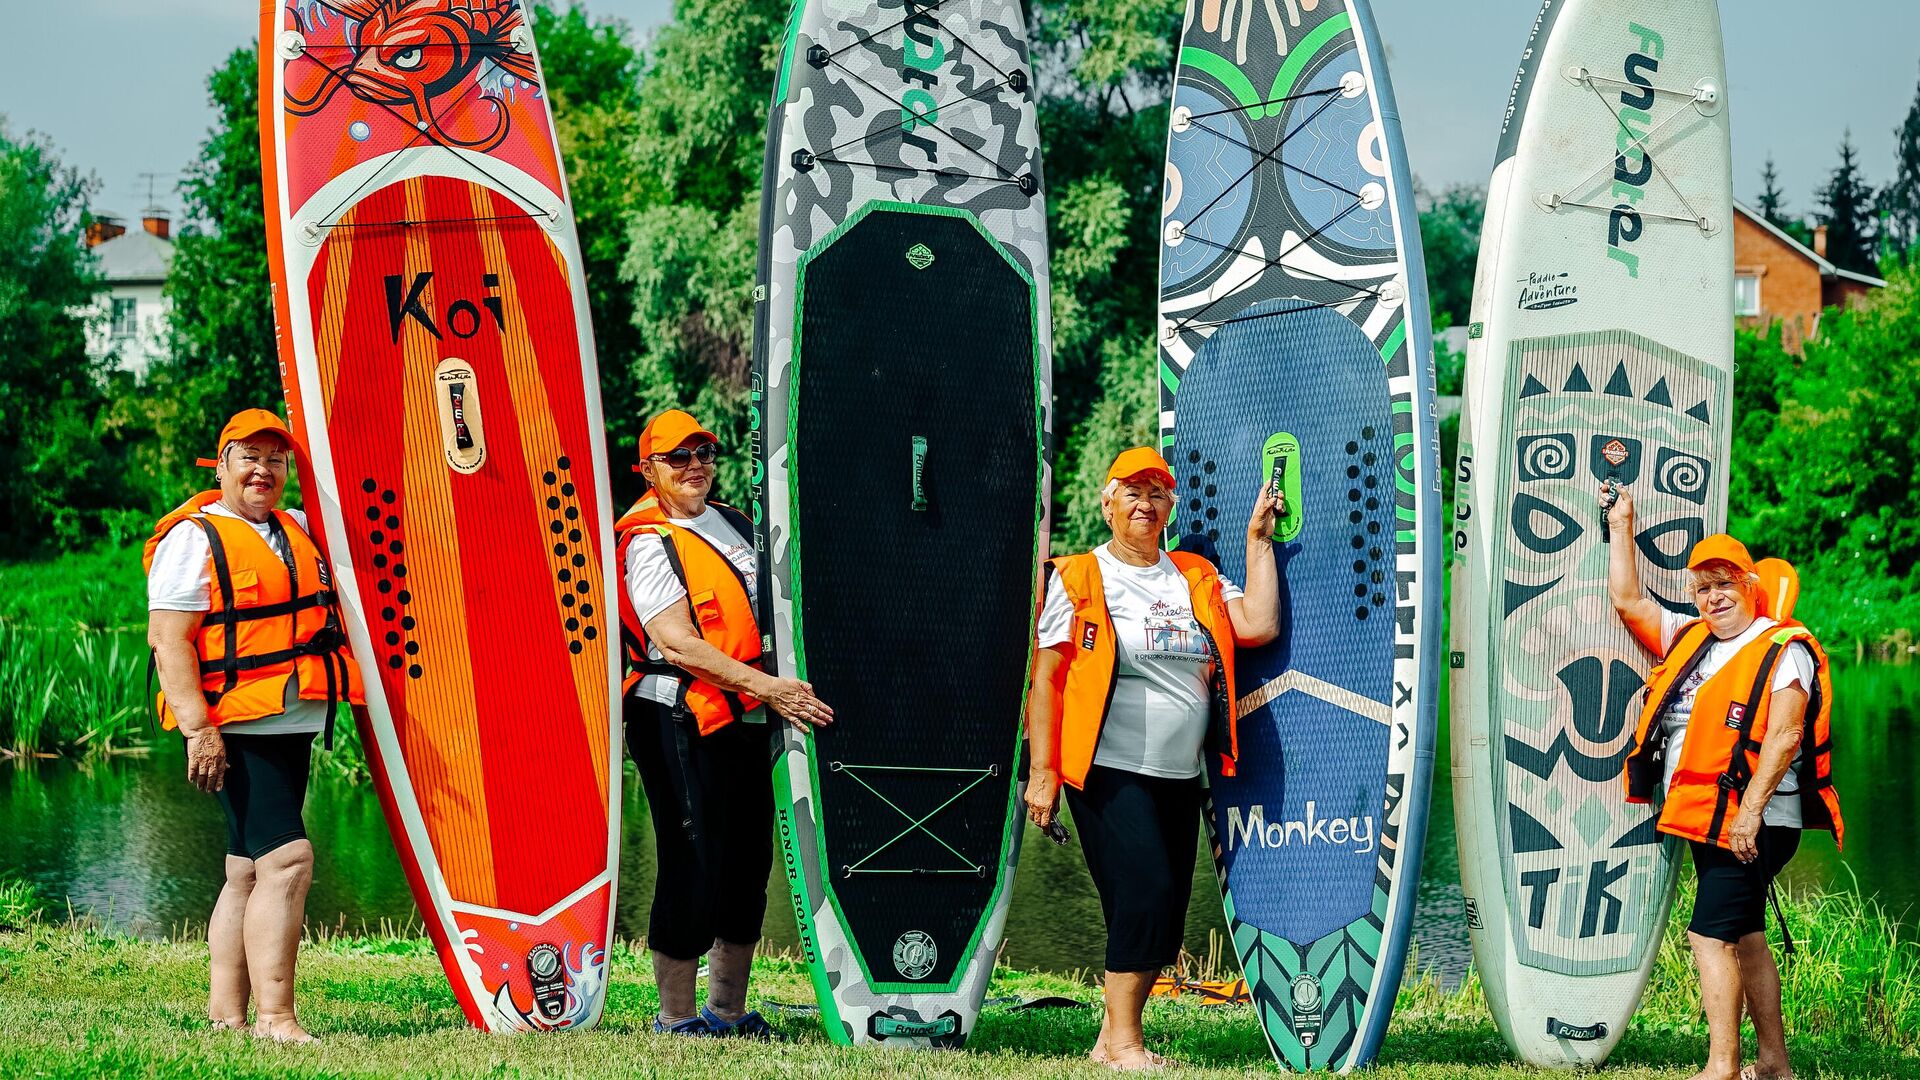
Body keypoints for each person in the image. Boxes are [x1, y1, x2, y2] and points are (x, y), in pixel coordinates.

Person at [1024, 447, 1279, 1070]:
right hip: (1106, 769)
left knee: (1153, 911)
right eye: (1131, 492)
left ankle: (1108, 1042)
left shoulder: (1192, 575)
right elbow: (1048, 679)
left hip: (1177, 774)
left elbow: (1258, 624)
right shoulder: (1078, 577)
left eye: (1157, 492)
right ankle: (1128, 1045)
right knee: (1147, 891)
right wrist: (1042, 775)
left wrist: (1256, 542)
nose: (1145, 503)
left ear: (1170, 506)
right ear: (1106, 503)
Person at [1605, 485, 1843, 1080]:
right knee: (1748, 935)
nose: (1713, 596)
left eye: (1725, 583)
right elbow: (1629, 600)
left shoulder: (1782, 649)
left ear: (1750, 587)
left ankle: (1722, 1068)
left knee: (1709, 937)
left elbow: (1786, 736)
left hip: (1753, 821)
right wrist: (1622, 524)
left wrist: (1749, 814)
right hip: (1706, 817)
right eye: (1703, 586)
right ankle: (1774, 1066)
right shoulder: (1692, 638)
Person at [144, 408, 363, 1043]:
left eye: (275, 459)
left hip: (290, 720)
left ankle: (227, 1015)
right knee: (288, 861)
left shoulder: (293, 528)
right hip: (237, 723)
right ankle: (277, 1018)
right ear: (222, 464)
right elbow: (169, 641)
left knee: (247, 867)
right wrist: (198, 729)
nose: (262, 469)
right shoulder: (195, 538)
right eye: (249, 456)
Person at [613, 409, 834, 1039]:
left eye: (704, 453)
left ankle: (728, 1011)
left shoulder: (735, 522)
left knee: (746, 863)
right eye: (677, 457)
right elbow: (677, 642)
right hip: (677, 718)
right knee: (692, 860)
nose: (694, 466)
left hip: (748, 716)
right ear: (649, 468)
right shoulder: (648, 541)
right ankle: (676, 1017)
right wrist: (771, 688)